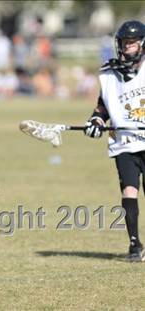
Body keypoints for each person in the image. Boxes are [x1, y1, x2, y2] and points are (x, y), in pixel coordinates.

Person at [84, 20, 145, 262]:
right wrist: (96, 122)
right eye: (123, 43)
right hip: (125, 143)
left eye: (130, 43)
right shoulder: (109, 74)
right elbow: (102, 107)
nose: (125, 47)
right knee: (129, 190)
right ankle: (134, 245)